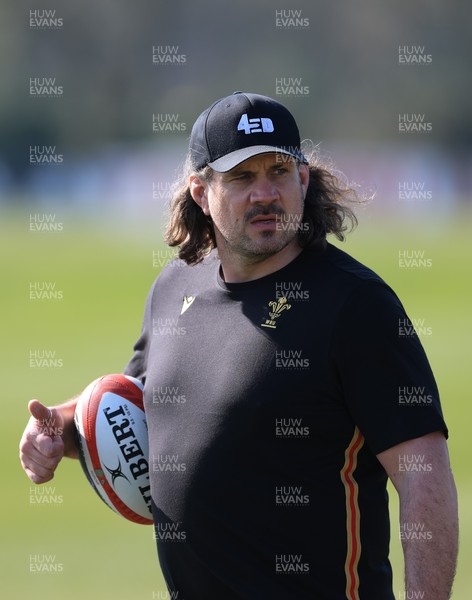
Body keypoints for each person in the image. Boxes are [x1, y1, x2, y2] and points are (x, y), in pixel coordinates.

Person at [20, 92, 458, 599]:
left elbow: (424, 474)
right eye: (243, 177)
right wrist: (64, 427)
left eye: (279, 171)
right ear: (201, 192)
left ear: (304, 180)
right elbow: (141, 407)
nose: (265, 193)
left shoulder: (356, 306)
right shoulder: (173, 289)